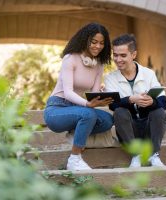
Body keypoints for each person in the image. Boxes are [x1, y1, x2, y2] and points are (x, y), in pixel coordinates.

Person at [43, 23, 114, 171]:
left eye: (102, 43)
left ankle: (76, 134)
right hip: (57, 108)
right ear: (85, 40)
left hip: (78, 109)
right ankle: (74, 159)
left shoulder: (99, 64)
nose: (98, 46)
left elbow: (92, 95)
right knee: (88, 114)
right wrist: (88, 105)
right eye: (94, 42)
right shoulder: (71, 58)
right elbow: (68, 92)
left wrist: (101, 98)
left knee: (107, 120)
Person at [104, 34, 166, 167]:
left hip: (148, 128)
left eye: (123, 55)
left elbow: (164, 102)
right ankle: (136, 156)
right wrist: (131, 99)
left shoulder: (148, 74)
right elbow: (113, 105)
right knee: (119, 112)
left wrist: (152, 102)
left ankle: (153, 154)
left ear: (133, 55)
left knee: (159, 112)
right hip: (128, 130)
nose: (118, 59)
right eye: (115, 55)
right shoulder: (110, 78)